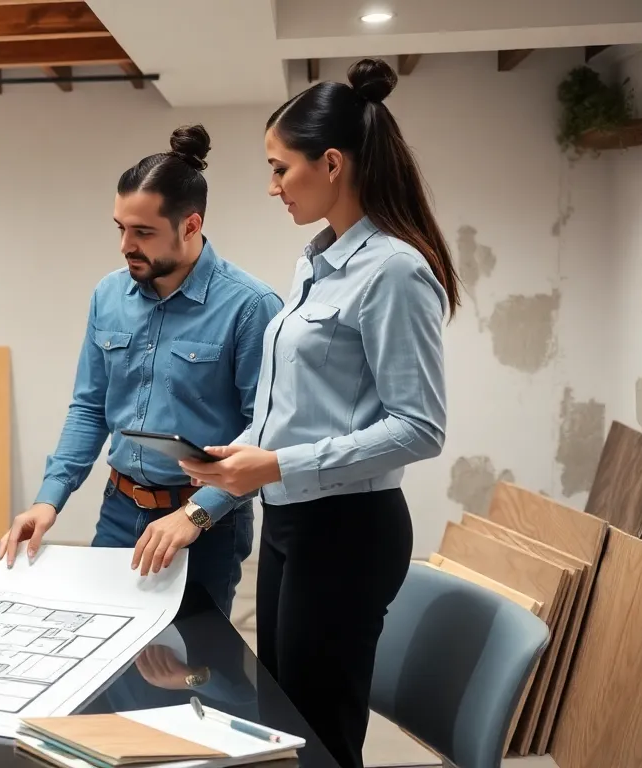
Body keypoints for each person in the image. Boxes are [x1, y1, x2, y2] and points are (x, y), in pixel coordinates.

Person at [179, 58, 457, 768]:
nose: (272, 186)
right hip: (291, 524)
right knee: (286, 723)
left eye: (280, 169)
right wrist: (217, 487)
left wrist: (276, 463)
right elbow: (288, 416)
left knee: (321, 739)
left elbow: (420, 426)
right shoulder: (316, 262)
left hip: (347, 533)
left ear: (331, 163)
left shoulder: (394, 270)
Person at [0, 125, 283, 618]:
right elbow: (89, 408)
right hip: (119, 510)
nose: (126, 245)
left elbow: (267, 431)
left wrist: (197, 514)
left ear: (190, 226)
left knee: (191, 654)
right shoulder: (109, 295)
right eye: (121, 228)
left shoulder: (250, 306)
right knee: (105, 647)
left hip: (205, 521)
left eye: (143, 233)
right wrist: (49, 500)